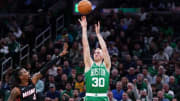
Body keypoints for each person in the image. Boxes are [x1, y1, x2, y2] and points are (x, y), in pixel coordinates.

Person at [79, 16, 111, 101]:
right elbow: (85, 46)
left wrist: (98, 35)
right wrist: (84, 29)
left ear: (103, 56)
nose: (96, 54)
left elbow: (104, 49)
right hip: (90, 97)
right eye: (95, 53)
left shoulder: (107, 65)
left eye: (98, 52)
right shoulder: (89, 64)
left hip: (103, 97)